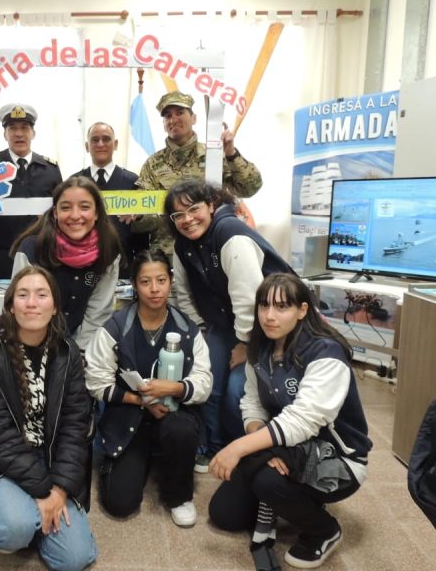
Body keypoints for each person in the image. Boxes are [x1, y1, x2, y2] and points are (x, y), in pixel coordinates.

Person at [208, 273, 372, 569]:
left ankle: (324, 530)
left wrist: (240, 448)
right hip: (285, 444)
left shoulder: (325, 353)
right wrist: (265, 448)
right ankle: (288, 494)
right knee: (224, 515)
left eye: (282, 307)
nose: (269, 316)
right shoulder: (260, 348)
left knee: (266, 480)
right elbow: (252, 403)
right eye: (264, 305)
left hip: (338, 459)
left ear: (302, 310)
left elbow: (303, 421)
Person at [0, 266, 96, 571]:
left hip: (49, 459)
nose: (32, 303)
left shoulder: (68, 353)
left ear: (54, 307)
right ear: (10, 307)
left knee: (75, 559)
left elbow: (75, 426)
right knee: (13, 529)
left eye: (42, 295)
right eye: (23, 295)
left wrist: (60, 490)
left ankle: (33, 518)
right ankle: (21, 518)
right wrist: (43, 490)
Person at [164, 178, 295, 473]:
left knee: (239, 387)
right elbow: (183, 294)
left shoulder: (230, 234)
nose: (187, 219)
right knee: (206, 379)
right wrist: (201, 330)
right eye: (178, 215)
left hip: (266, 328)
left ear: (211, 205)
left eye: (194, 209)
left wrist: (246, 345)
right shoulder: (182, 245)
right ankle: (213, 446)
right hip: (223, 325)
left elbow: (249, 299)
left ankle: (245, 451)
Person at [84, 250, 212, 527]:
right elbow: (96, 381)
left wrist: (176, 388)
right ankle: (122, 461)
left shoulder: (188, 329)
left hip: (174, 416)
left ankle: (179, 495)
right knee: (121, 504)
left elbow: (204, 383)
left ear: (171, 281)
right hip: (129, 417)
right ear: (134, 284)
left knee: (179, 430)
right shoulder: (116, 327)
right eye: (145, 282)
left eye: (161, 280)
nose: (154, 289)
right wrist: (139, 400)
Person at [133, 90, 263, 254]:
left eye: (180, 112)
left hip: (213, 250)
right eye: (167, 116)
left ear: (194, 118)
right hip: (168, 255)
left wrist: (231, 153)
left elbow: (250, 188)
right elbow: (144, 221)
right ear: (164, 124)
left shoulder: (215, 155)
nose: (173, 119)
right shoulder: (152, 165)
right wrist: (138, 216)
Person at [11, 176, 121, 351]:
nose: (75, 216)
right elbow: (21, 306)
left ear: (97, 213)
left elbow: (98, 312)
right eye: (65, 208)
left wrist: (77, 353)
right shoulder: (31, 249)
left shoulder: (109, 251)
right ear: (55, 212)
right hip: (34, 343)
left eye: (84, 207)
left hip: (83, 345)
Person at [0, 103, 62, 279]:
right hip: (1, 258)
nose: (18, 134)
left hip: (41, 255)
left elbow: (62, 213)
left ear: (33, 133)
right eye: (12, 128)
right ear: (5, 134)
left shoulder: (50, 169)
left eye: (24, 128)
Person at [71, 122, 148, 277]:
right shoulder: (73, 182)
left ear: (116, 144)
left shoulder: (133, 182)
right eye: (95, 140)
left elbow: (141, 233)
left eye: (106, 139)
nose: (100, 144)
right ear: (87, 146)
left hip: (124, 267)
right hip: (82, 266)